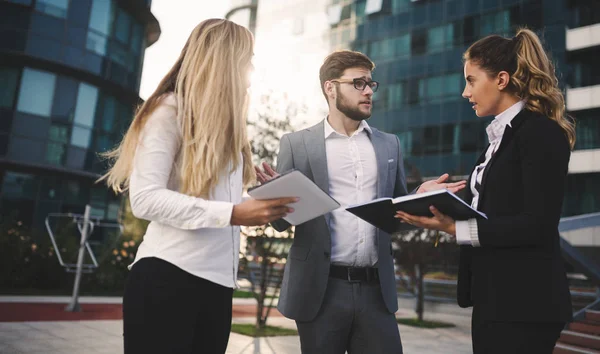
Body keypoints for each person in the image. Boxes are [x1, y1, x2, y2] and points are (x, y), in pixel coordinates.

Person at [100, 19, 297, 354]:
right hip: (167, 279)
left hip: (217, 287)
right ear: (224, 61)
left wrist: (263, 199)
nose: (251, 68)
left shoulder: (228, 132)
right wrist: (235, 212)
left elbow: (218, 205)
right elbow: (145, 200)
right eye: (246, 58)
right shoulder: (168, 110)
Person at [255, 50, 465, 354]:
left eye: (370, 84)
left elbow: (395, 214)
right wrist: (274, 200)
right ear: (330, 87)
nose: (368, 91)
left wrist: (420, 196)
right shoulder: (296, 144)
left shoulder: (388, 144)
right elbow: (280, 223)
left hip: (376, 292)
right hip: (320, 290)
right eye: (358, 83)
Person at [395, 28, 575, 354]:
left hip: (525, 304)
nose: (465, 92)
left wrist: (456, 228)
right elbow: (493, 207)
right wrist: (431, 197)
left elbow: (538, 223)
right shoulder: (498, 141)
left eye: (471, 80)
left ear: (502, 79)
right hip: (496, 298)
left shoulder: (540, 133)